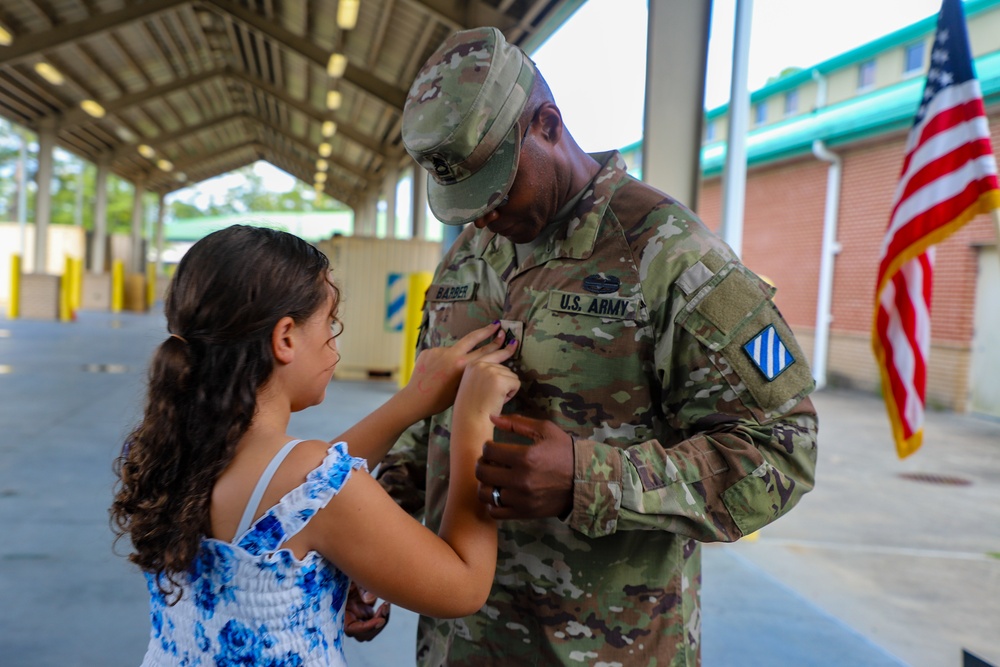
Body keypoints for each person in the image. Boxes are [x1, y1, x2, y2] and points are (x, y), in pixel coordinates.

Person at [346, 27, 820, 666]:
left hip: (606, 649)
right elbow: (427, 425)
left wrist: (588, 476)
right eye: (465, 202)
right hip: (459, 644)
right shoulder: (469, 259)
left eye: (495, 186)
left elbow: (784, 452)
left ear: (546, 124)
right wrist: (380, 547)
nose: (481, 217)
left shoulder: (670, 255)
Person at [110, 224, 521, 666]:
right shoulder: (311, 481)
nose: (334, 344)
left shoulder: (173, 449)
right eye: (330, 323)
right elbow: (462, 587)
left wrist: (410, 402)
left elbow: (301, 485)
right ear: (285, 338)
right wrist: (473, 422)